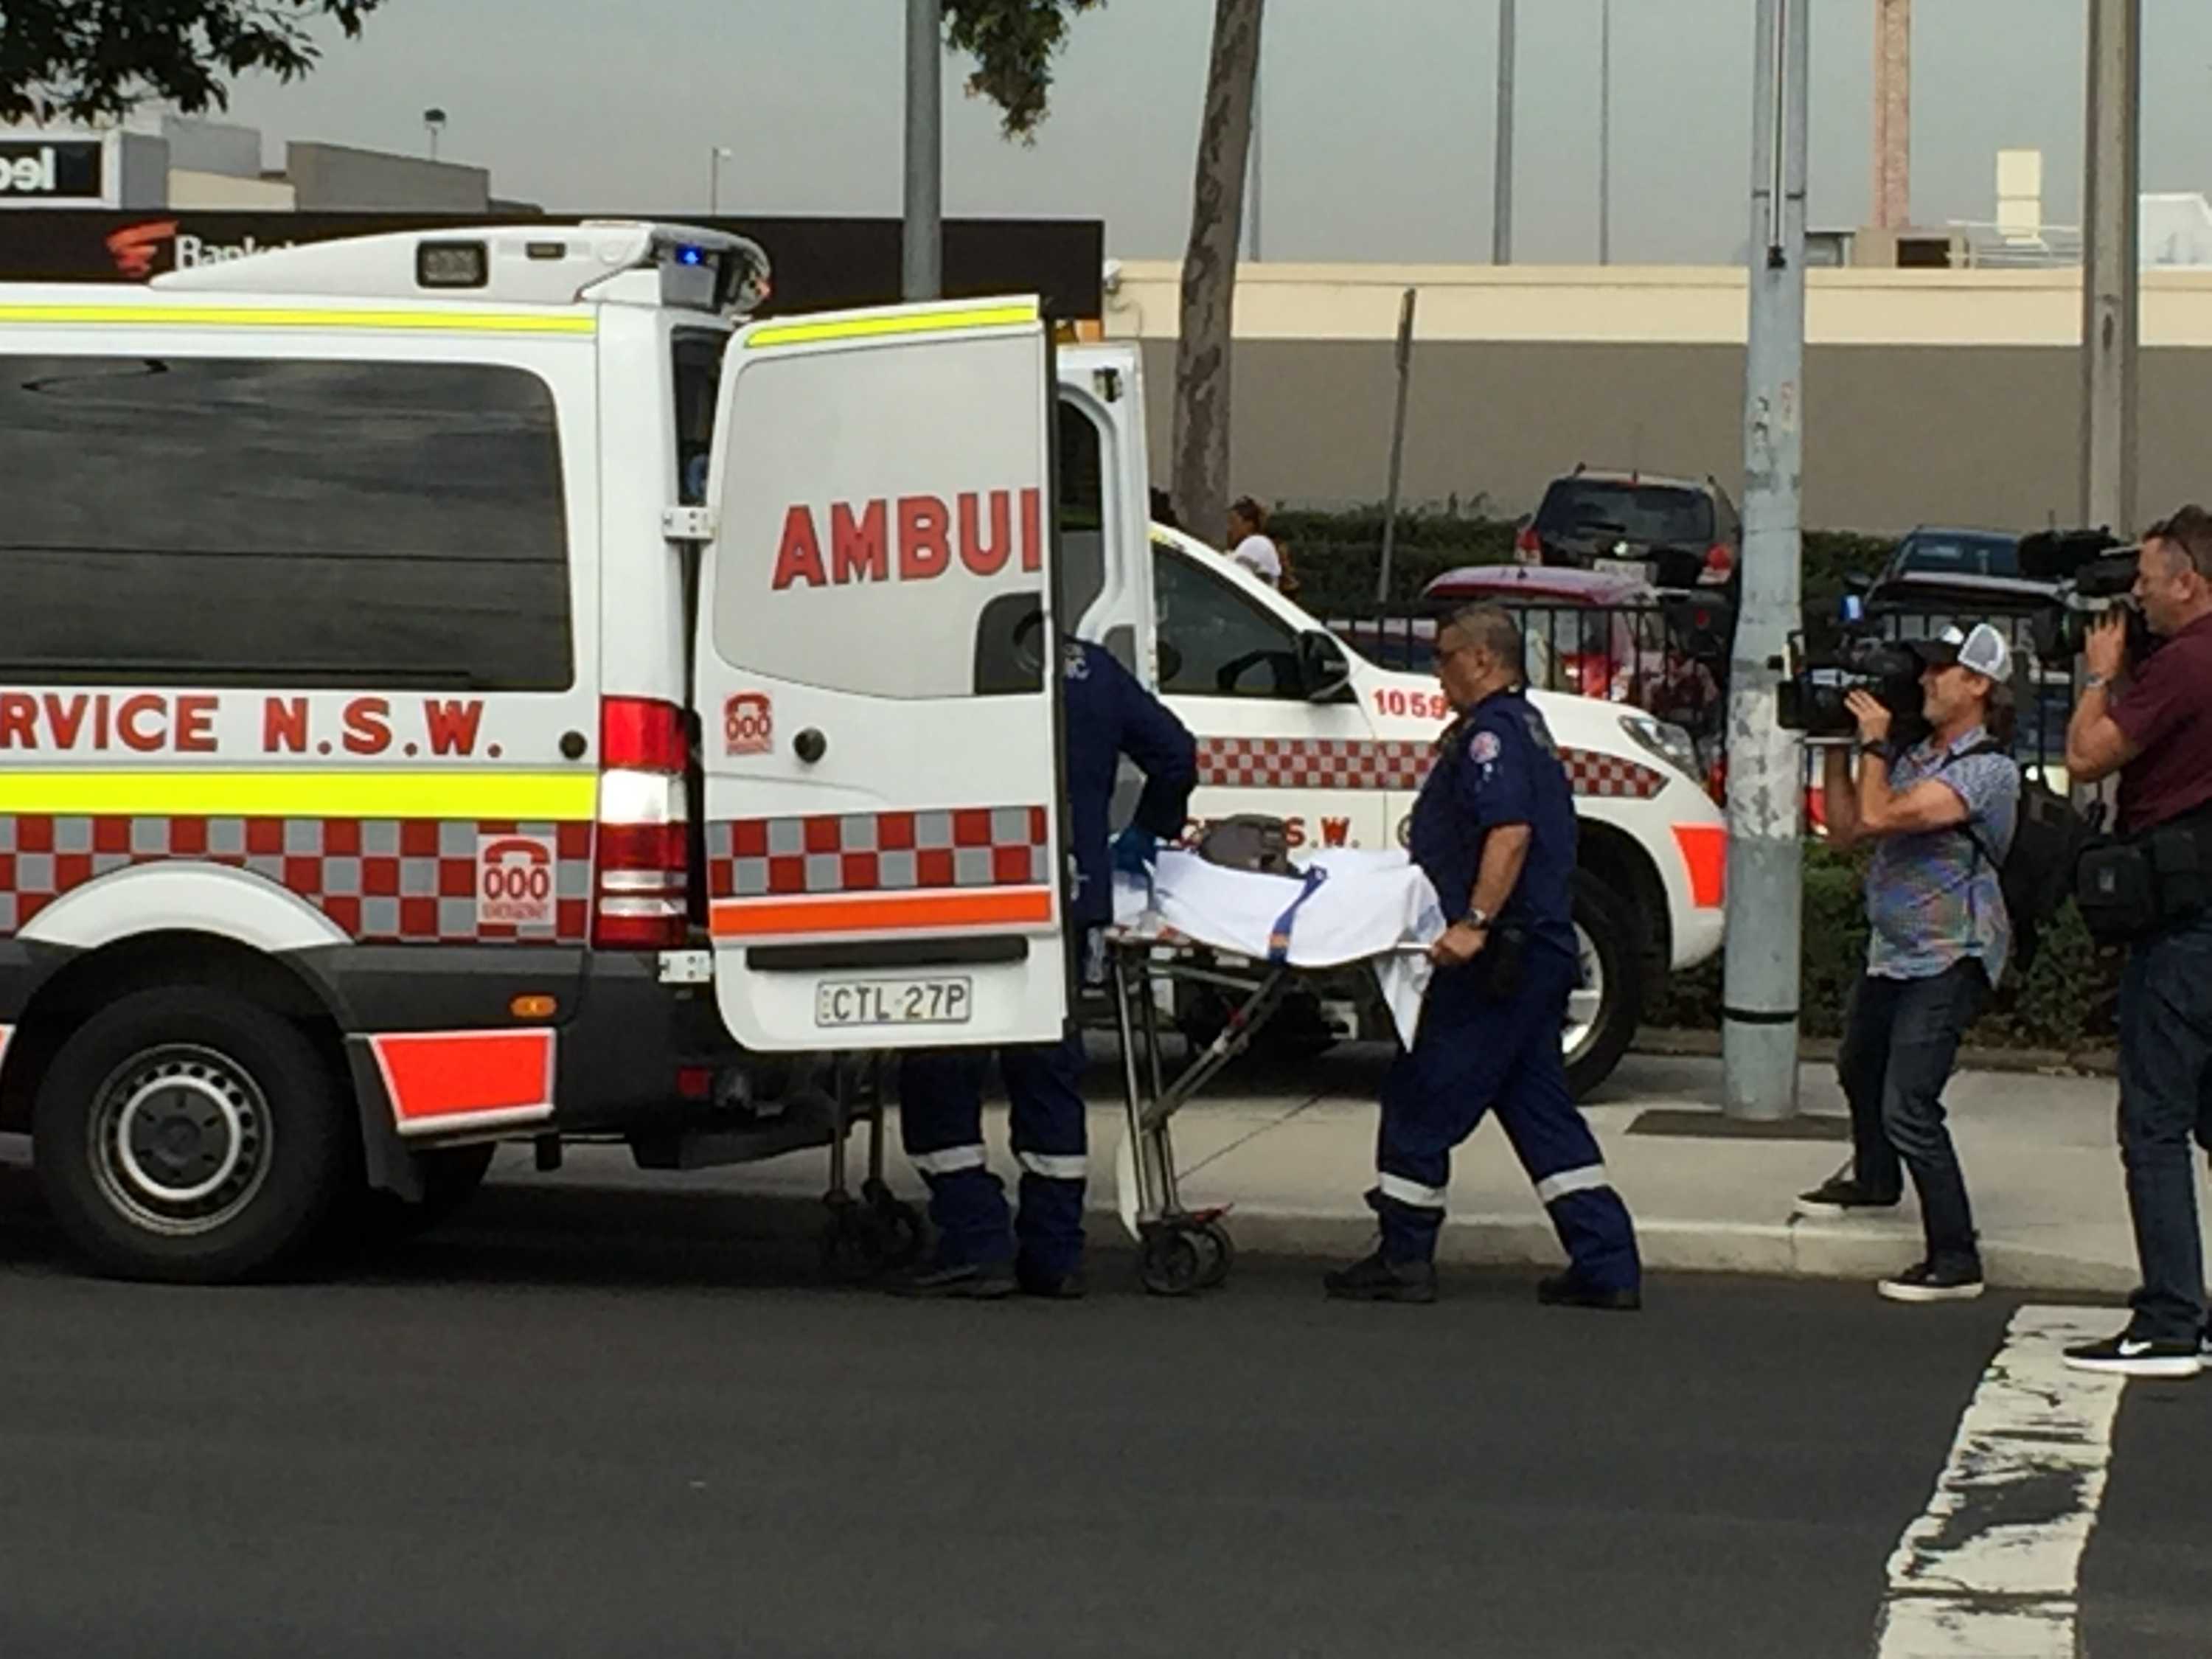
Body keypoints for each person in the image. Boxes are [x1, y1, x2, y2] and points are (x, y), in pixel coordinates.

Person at [1323, 604, 1641, 1307]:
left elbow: (1510, 832)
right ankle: (1607, 1261)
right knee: (1538, 1110)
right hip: (1535, 951)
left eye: (1444, 657)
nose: (1438, 673)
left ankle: (1405, 1255)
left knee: (1421, 1094)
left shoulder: (1493, 737)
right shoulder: (1522, 726)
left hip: (1501, 956)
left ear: (1483, 660)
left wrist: (1473, 922)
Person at [895, 637, 1197, 1299]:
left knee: (940, 1068)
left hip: (968, 888)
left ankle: (976, 1240)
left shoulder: (949, 655)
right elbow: (1176, 753)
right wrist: (1150, 827)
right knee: (1048, 1075)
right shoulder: (1090, 666)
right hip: (1069, 895)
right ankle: (1055, 1254)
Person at [1795, 622, 2021, 1304]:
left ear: (1979, 685)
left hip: (1954, 953)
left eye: (1942, 670)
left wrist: (1871, 745)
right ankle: (1874, 1178)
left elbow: (1886, 815)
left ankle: (1955, 1256)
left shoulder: (1989, 771)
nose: (1925, 680)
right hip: (1895, 953)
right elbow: (1846, 832)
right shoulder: (1918, 754)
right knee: (1858, 1067)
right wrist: (1836, 743)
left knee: (1910, 1103)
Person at [2059, 506, 2212, 1377]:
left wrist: (2101, 677)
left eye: (2149, 580)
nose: (2139, 596)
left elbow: (2087, 758)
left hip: (2184, 927)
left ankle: (2167, 1320)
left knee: (2154, 1123)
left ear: (2188, 580)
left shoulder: (2184, 664)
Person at [1225, 496, 1284, 588]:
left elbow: (1235, 579)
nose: (1229, 529)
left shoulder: (1256, 543)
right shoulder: (1252, 545)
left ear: (1249, 525)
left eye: (1233, 522)